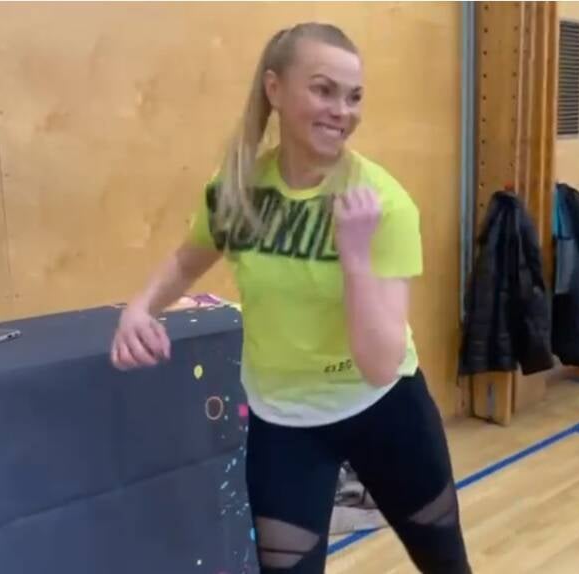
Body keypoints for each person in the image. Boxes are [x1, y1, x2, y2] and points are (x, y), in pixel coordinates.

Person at [110, 22, 471, 574]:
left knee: (445, 565)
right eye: (324, 90)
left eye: (354, 97)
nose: (342, 111)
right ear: (275, 89)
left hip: (385, 410)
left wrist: (355, 256)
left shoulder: (382, 203)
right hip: (284, 423)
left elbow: (380, 365)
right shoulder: (236, 190)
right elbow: (187, 259)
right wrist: (140, 308)